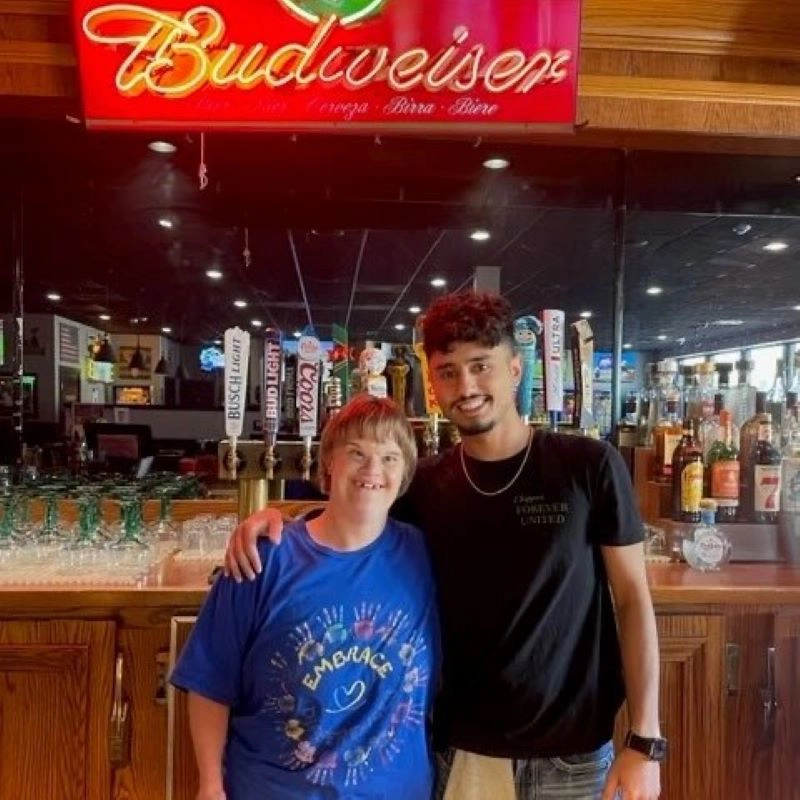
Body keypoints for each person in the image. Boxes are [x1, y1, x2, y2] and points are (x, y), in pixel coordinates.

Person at [226, 292, 664, 800]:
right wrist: (274, 519)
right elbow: (348, 522)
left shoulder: (588, 466)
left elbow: (632, 600)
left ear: (516, 370)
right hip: (460, 747)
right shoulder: (425, 486)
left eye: (481, 366)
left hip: (572, 754)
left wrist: (645, 740)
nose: (466, 386)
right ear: (432, 385)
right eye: (448, 371)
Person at [172, 394, 440, 800]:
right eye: (356, 453)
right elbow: (211, 680)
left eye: (389, 457)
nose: (372, 470)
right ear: (328, 462)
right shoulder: (264, 557)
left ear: (405, 474)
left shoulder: (423, 553)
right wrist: (210, 785)